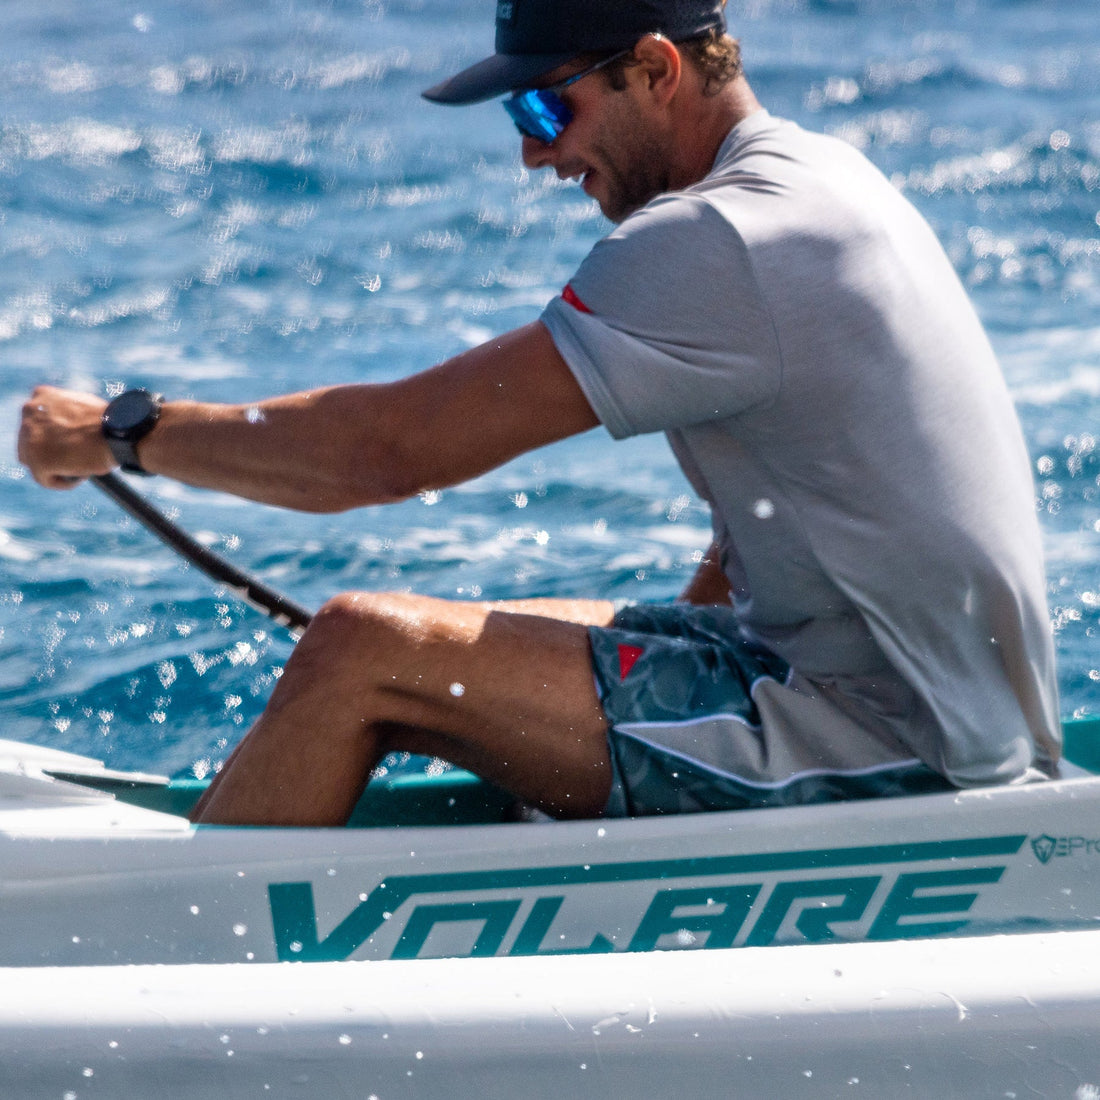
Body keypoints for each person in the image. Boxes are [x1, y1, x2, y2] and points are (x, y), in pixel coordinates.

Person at [18, 0, 1061, 827]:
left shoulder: (717, 238)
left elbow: (384, 453)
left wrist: (122, 433)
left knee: (357, 650)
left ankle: (187, 955)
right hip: (926, 706)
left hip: (897, 749)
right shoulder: (823, 176)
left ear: (655, 69)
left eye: (544, 110)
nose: (532, 154)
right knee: (483, 634)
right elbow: (796, 503)